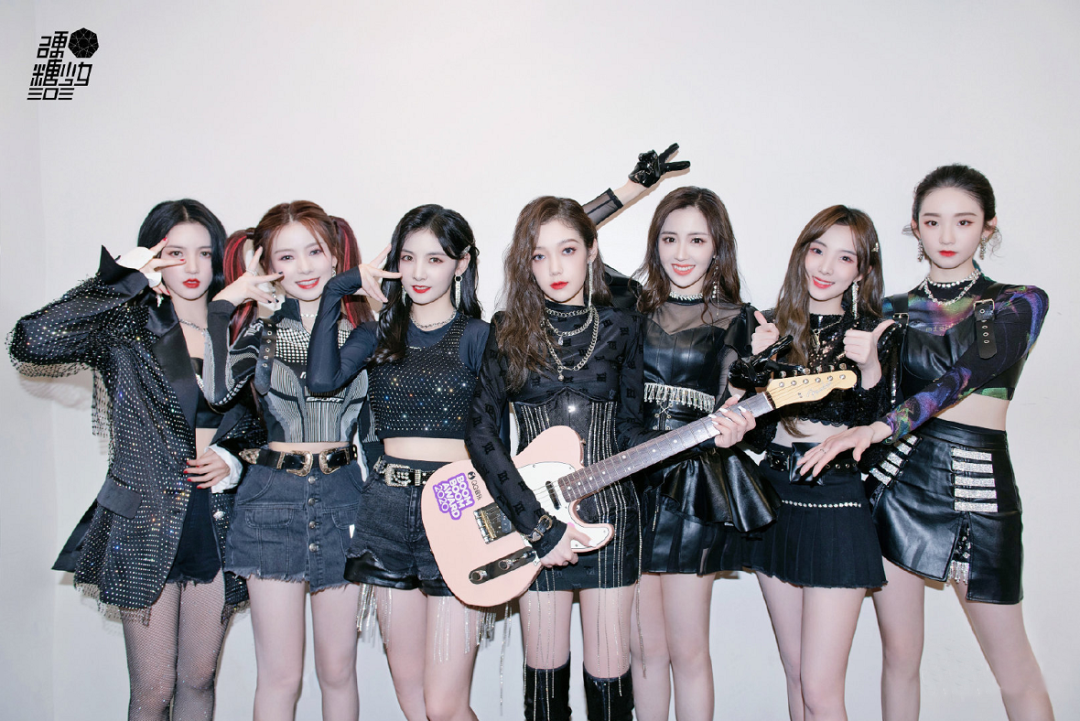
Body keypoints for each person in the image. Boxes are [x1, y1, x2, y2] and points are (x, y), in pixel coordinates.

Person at [465, 196, 754, 721]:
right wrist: (537, 527)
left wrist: (710, 436)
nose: (555, 267)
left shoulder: (623, 327)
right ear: (525, 263)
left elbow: (629, 433)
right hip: (533, 523)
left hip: (613, 519)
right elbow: (481, 433)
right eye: (538, 255)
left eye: (568, 250)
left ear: (592, 250)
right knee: (544, 690)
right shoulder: (506, 329)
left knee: (611, 682)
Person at [802, 165, 1054, 720]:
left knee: (1014, 670)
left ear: (988, 226)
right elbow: (863, 397)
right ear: (915, 227)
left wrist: (882, 427)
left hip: (978, 486)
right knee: (900, 658)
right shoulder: (887, 311)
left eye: (963, 222)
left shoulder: (1018, 302)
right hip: (895, 485)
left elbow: (959, 379)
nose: (946, 236)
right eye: (933, 221)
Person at [9, 199, 265, 720]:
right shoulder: (126, 325)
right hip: (144, 522)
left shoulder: (238, 328)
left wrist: (233, 458)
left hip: (216, 520)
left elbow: (259, 423)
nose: (192, 267)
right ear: (153, 256)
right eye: (176, 253)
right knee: (153, 688)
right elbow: (31, 341)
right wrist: (120, 280)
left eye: (204, 253)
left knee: (199, 678)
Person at [202, 200, 384, 721]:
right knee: (280, 677)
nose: (303, 267)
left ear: (336, 256)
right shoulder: (259, 334)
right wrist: (223, 306)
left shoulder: (366, 333)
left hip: (345, 501)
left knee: (338, 671)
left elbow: (375, 431)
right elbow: (217, 392)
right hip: (270, 504)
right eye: (286, 256)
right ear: (266, 265)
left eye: (315, 252)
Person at [306, 204, 488, 721]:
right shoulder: (378, 334)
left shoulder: (479, 336)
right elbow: (321, 381)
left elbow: (494, 437)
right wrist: (337, 289)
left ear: (461, 263)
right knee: (412, 697)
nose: (419, 272)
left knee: (443, 706)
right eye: (408, 258)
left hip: (457, 503)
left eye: (435, 258)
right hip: (386, 508)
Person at [737, 205, 901, 721]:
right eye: (818, 249)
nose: (826, 267)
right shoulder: (770, 325)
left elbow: (878, 440)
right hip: (774, 494)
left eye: (845, 257)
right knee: (795, 674)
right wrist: (758, 370)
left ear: (862, 271)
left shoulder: (875, 333)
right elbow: (756, 435)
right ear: (802, 253)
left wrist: (870, 368)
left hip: (836, 499)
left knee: (822, 689)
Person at [620, 186, 775, 721]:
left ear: (717, 247)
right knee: (643, 650)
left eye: (696, 240)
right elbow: (568, 236)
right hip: (630, 484)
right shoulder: (627, 309)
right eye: (669, 239)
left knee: (687, 651)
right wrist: (626, 190)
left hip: (694, 489)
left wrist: (741, 426)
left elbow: (751, 416)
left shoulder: (741, 319)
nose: (681, 253)